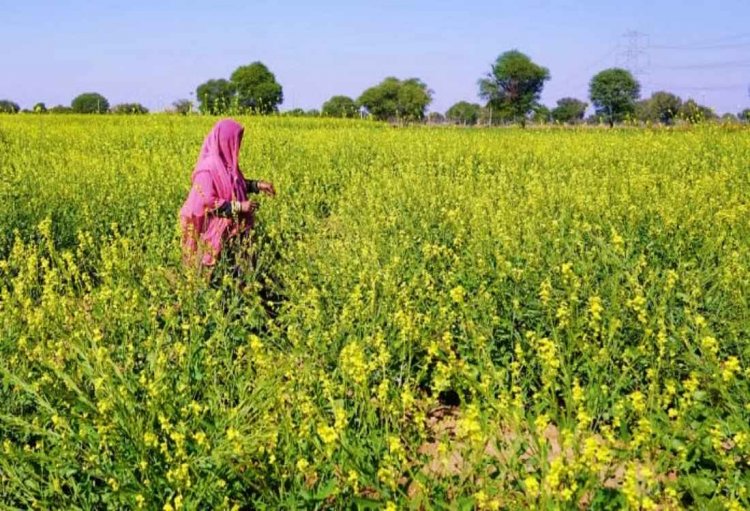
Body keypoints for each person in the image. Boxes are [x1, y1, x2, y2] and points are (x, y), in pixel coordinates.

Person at [180, 119, 275, 272]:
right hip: (215, 236)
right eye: (235, 140)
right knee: (214, 278)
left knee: (242, 276)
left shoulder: (227, 165)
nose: (237, 145)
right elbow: (208, 202)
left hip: (235, 231)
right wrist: (239, 206)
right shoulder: (207, 169)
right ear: (225, 141)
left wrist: (257, 185)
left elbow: (236, 185)